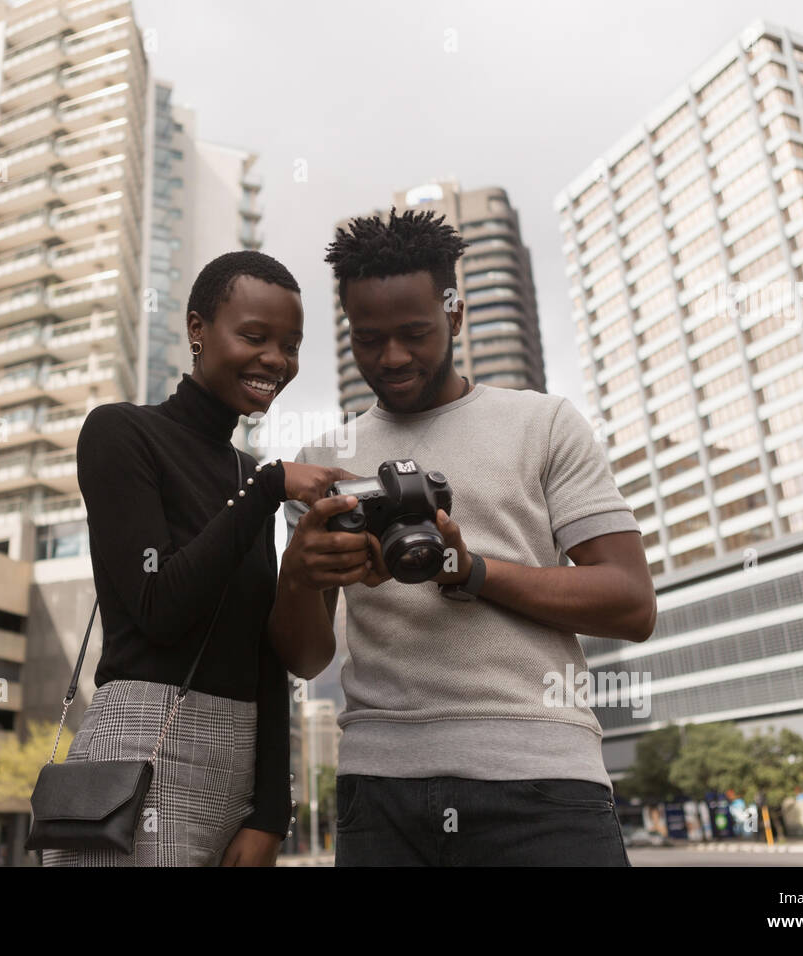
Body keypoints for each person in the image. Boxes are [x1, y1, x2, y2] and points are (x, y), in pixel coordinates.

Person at [271, 208, 657, 866]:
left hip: (543, 781)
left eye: (414, 333)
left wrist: (470, 570)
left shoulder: (544, 424)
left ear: (454, 314)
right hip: (381, 791)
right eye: (368, 339)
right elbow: (305, 660)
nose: (391, 358)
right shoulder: (325, 458)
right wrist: (300, 573)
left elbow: (631, 603)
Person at [44, 251, 349, 867]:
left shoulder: (248, 475)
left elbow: (269, 656)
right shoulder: (120, 433)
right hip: (136, 748)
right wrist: (266, 490)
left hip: (235, 766)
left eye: (290, 345)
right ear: (196, 329)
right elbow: (159, 606)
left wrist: (271, 812)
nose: (276, 360)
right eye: (254, 336)